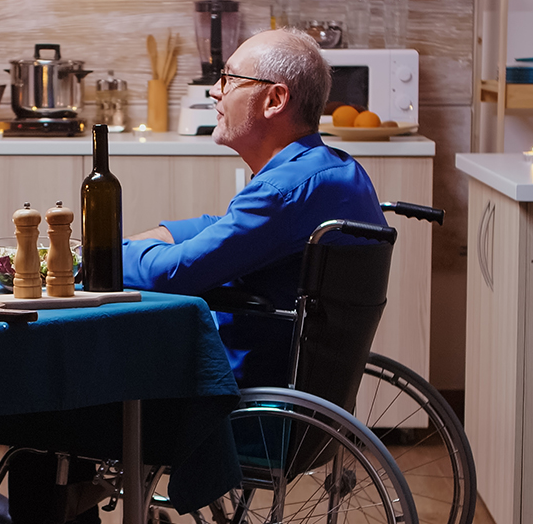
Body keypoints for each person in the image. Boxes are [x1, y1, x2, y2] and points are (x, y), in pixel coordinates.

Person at [122, 27, 386, 387]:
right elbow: (231, 227)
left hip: (238, 395)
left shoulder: (283, 192)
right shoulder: (334, 170)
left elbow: (169, 276)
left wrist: (92, 256)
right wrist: (164, 235)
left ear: (275, 100)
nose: (215, 90)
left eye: (229, 78)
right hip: (298, 392)